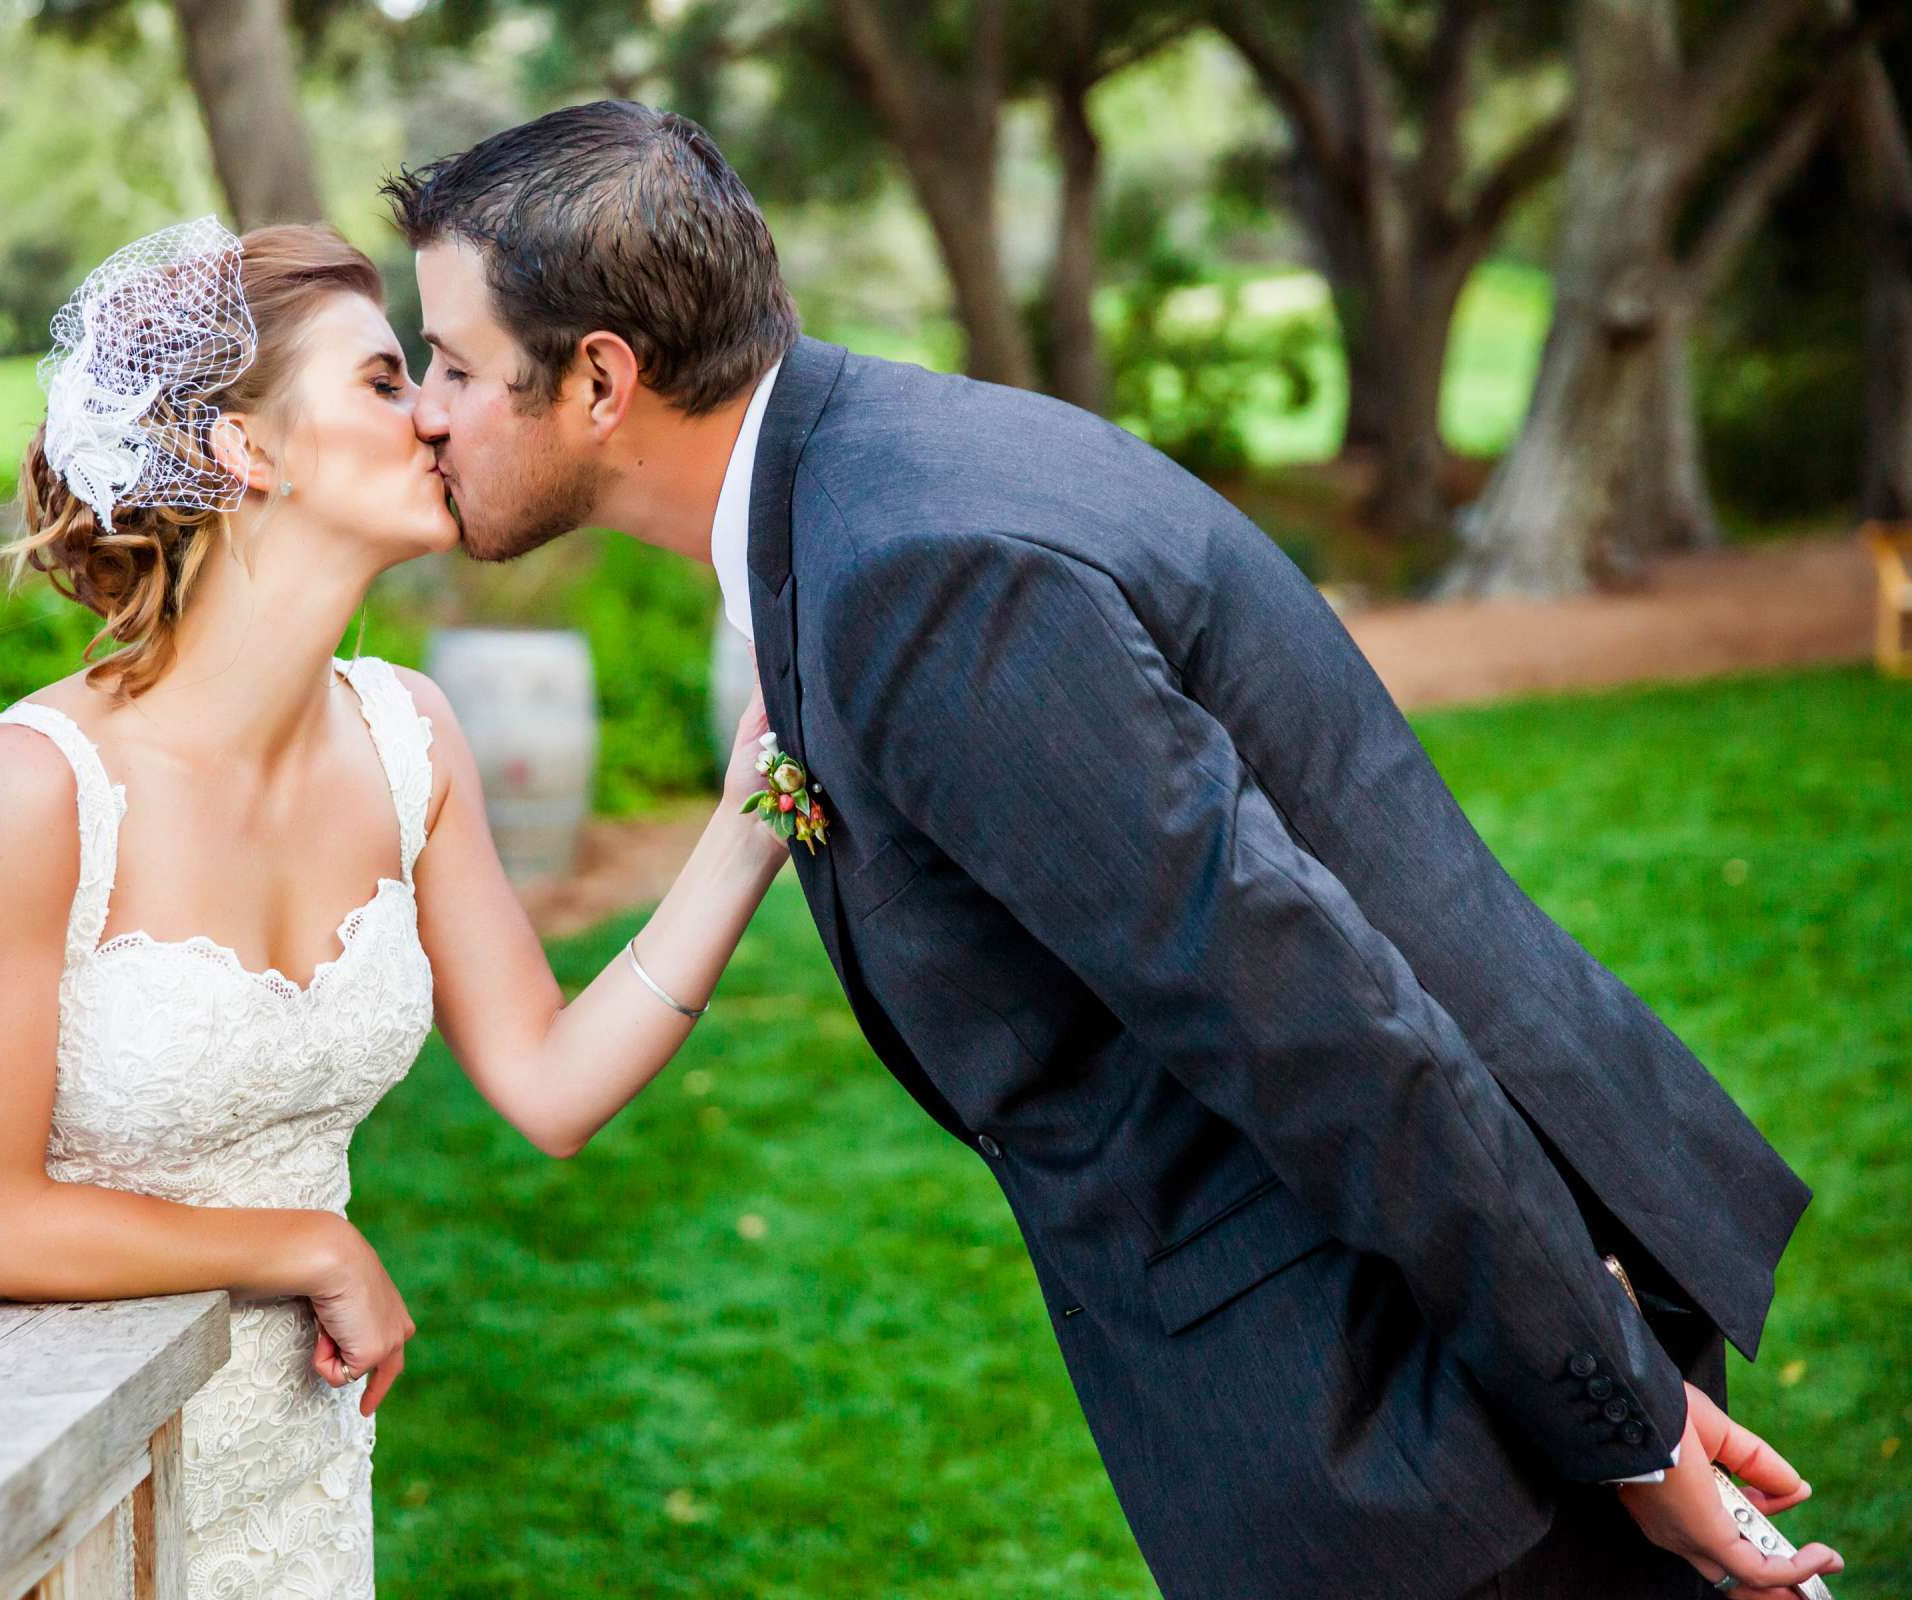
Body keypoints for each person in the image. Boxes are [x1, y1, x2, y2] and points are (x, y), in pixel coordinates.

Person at [381, 101, 1844, 1600]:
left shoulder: (918, 576)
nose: (427, 406)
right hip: (1416, 1360)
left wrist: (1625, 1426)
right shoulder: (861, 483)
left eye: (454, 364)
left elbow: (1325, 1026)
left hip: (1430, 1427)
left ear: (603, 381)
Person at [0, 216, 790, 1599]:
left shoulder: (412, 740)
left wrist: (749, 820)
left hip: (289, 1468)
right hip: (25, 1466)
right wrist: (307, 1246)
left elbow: (549, 1084)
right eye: (380, 380)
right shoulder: (31, 788)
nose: (434, 418)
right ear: (246, 448)